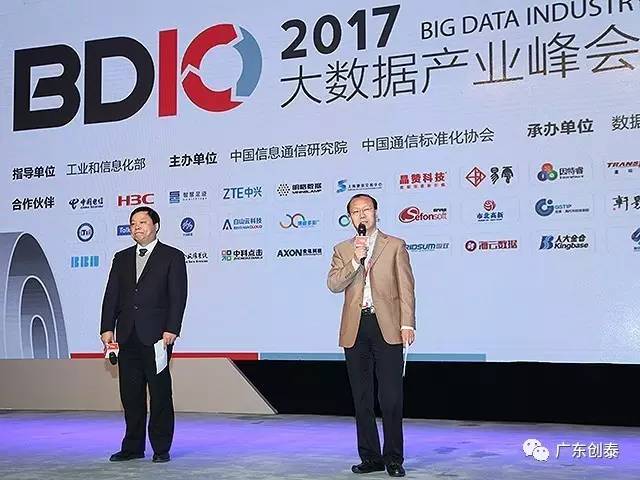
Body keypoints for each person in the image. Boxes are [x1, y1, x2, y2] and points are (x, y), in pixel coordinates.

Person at [327, 194, 416, 477]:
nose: (362, 215)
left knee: (391, 397)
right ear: (350, 218)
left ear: (376, 212)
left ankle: (393, 458)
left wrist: (408, 323)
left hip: (386, 325)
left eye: (366, 209)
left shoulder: (394, 245)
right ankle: (370, 457)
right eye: (356, 212)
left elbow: (406, 288)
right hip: (355, 327)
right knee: (362, 397)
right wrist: (355, 259)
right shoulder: (343, 249)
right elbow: (333, 284)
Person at [100, 206, 187, 463]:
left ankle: (161, 448)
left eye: (142, 222)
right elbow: (111, 295)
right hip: (127, 336)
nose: (136, 227)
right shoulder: (121, 258)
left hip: (157, 336)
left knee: (160, 394)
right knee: (131, 395)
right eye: (133, 223)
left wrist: (172, 328)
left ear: (155, 226)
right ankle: (132, 447)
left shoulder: (172, 256)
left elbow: (178, 296)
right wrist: (107, 327)